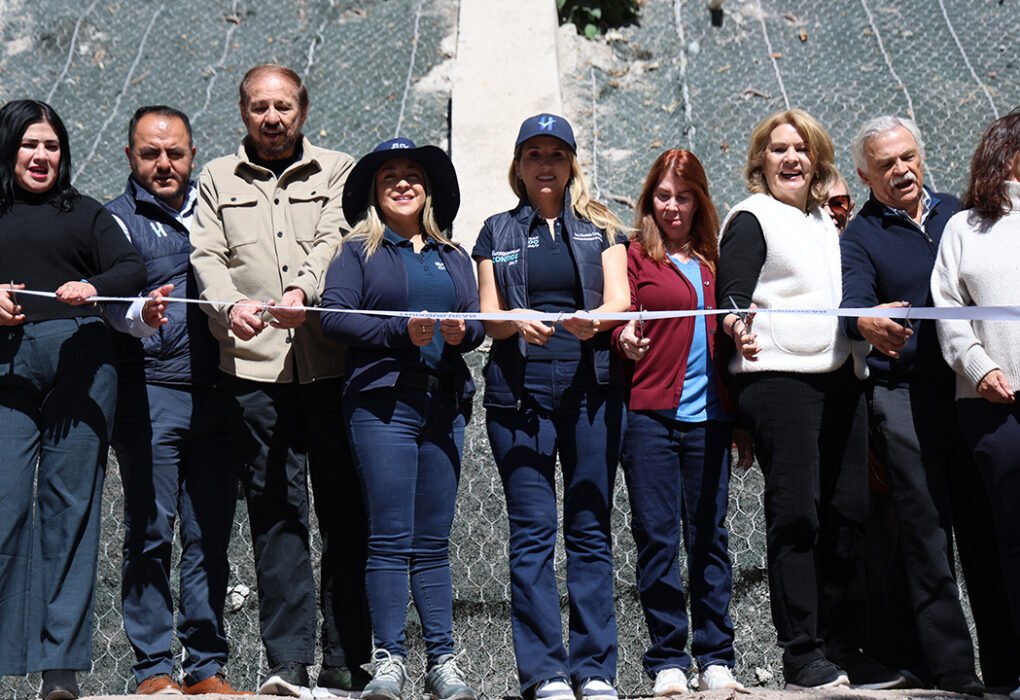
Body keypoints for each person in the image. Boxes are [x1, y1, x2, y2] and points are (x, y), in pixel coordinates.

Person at [189, 64, 371, 698]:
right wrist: (227, 305)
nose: (272, 118)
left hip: (330, 365)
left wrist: (303, 290)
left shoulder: (339, 170)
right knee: (276, 515)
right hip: (254, 370)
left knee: (345, 512)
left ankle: (346, 659)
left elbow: (336, 237)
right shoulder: (217, 178)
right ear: (243, 113)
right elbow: (207, 255)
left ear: (303, 110)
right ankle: (288, 663)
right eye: (260, 107)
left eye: (284, 107)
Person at [841, 114, 1015, 695]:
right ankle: (954, 673)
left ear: (921, 155)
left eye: (908, 156)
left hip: (974, 391)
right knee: (928, 535)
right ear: (864, 176)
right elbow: (853, 306)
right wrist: (865, 322)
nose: (902, 170)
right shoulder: (859, 237)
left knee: (988, 528)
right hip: (904, 396)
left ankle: (1006, 669)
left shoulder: (962, 216)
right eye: (886, 164)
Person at [716, 108, 880, 691]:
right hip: (779, 379)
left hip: (840, 377)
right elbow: (732, 294)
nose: (791, 158)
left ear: (817, 161)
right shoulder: (751, 216)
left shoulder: (823, 221)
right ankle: (803, 653)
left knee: (849, 512)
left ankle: (844, 646)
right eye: (779, 148)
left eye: (802, 149)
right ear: (761, 160)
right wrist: (736, 326)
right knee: (797, 514)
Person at [472, 114, 629, 700]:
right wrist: (516, 320)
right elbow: (489, 317)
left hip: (592, 388)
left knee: (589, 527)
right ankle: (544, 673)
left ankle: (595, 670)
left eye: (556, 154)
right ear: (518, 166)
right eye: (533, 154)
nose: (545, 164)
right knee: (533, 533)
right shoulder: (495, 231)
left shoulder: (602, 226)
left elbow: (620, 300)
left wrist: (597, 321)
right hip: (519, 392)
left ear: (571, 165)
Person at [321, 138, 483, 700]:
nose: (402, 182)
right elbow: (333, 318)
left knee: (434, 541)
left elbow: (476, 320)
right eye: (389, 174)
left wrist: (465, 332)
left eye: (413, 173)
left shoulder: (453, 254)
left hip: (443, 406)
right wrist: (398, 330)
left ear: (429, 188)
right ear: (374, 190)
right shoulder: (356, 252)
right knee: (390, 537)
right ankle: (389, 660)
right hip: (382, 406)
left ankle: (443, 662)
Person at [0, 99, 146, 700]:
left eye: (52, 146)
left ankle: (59, 671)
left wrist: (92, 285)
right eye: (30, 144)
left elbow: (131, 268)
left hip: (81, 369)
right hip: (6, 372)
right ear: (8, 150)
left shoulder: (87, 213)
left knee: (70, 512)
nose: (41, 156)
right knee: (5, 507)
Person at [103, 105, 246, 695]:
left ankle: (205, 668)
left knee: (210, 534)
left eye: (175, 152)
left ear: (193, 154)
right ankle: (153, 670)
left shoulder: (217, 212)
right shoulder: (114, 222)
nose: (164, 164)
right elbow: (111, 303)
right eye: (150, 153)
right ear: (130, 157)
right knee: (151, 532)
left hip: (220, 393)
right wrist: (143, 314)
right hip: (150, 393)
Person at [611, 149, 742, 694]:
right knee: (657, 540)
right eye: (663, 196)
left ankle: (716, 657)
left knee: (709, 538)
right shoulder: (634, 255)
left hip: (710, 419)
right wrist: (624, 335)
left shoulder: (716, 259)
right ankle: (668, 659)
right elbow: (618, 315)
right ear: (650, 200)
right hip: (651, 419)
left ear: (699, 201)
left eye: (683, 197)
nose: (672, 206)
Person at [931, 108, 1020, 700]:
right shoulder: (965, 227)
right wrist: (978, 366)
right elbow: (947, 310)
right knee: (1011, 537)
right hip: (993, 405)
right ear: (1008, 153)